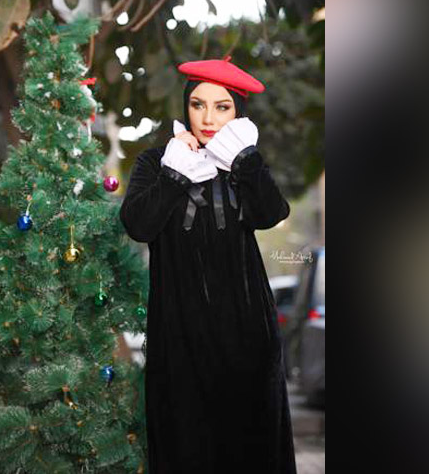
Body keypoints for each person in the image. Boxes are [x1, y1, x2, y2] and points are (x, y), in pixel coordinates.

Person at [119, 56, 296, 473]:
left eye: (222, 107)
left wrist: (246, 161)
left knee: (252, 454)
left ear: (237, 113)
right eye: (198, 105)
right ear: (186, 107)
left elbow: (271, 212)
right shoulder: (156, 162)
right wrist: (175, 173)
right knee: (185, 449)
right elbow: (138, 225)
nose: (208, 117)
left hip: (248, 339)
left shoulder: (242, 164)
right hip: (178, 339)